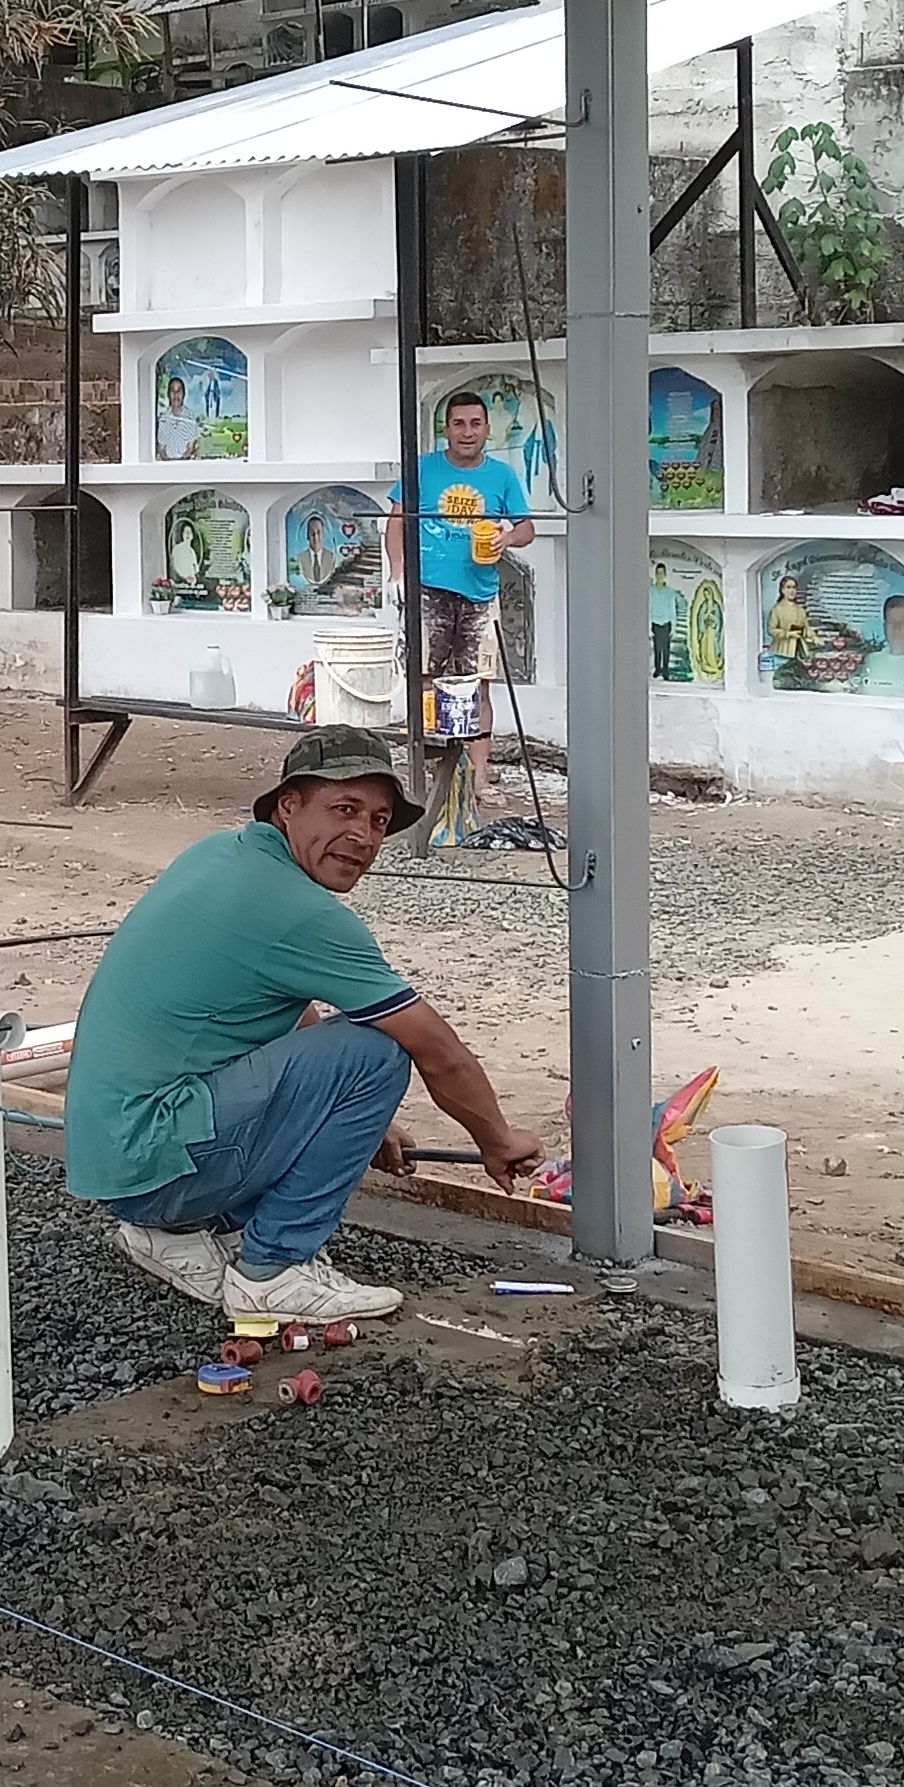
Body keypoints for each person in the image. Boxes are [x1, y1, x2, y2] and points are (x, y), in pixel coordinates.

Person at [63, 726, 546, 1324]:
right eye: (344, 809)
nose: (363, 836)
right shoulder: (302, 913)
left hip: (114, 1159)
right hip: (154, 1168)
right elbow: (438, 1051)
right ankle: (274, 1270)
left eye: (378, 820)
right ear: (288, 805)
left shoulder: (221, 854)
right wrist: (497, 1141)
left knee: (348, 1058)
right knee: (376, 1053)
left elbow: (286, 1012)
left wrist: (356, 1118)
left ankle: (173, 1235)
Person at [392, 386, 535, 709]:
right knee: (424, 679)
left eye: (475, 423)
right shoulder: (421, 468)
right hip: (428, 590)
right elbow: (396, 520)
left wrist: (507, 538)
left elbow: (527, 529)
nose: (467, 432)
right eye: (459, 424)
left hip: (480, 595)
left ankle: (478, 747)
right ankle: (430, 742)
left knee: (477, 685)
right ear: (446, 430)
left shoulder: (502, 475)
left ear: (487, 429)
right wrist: (397, 573)